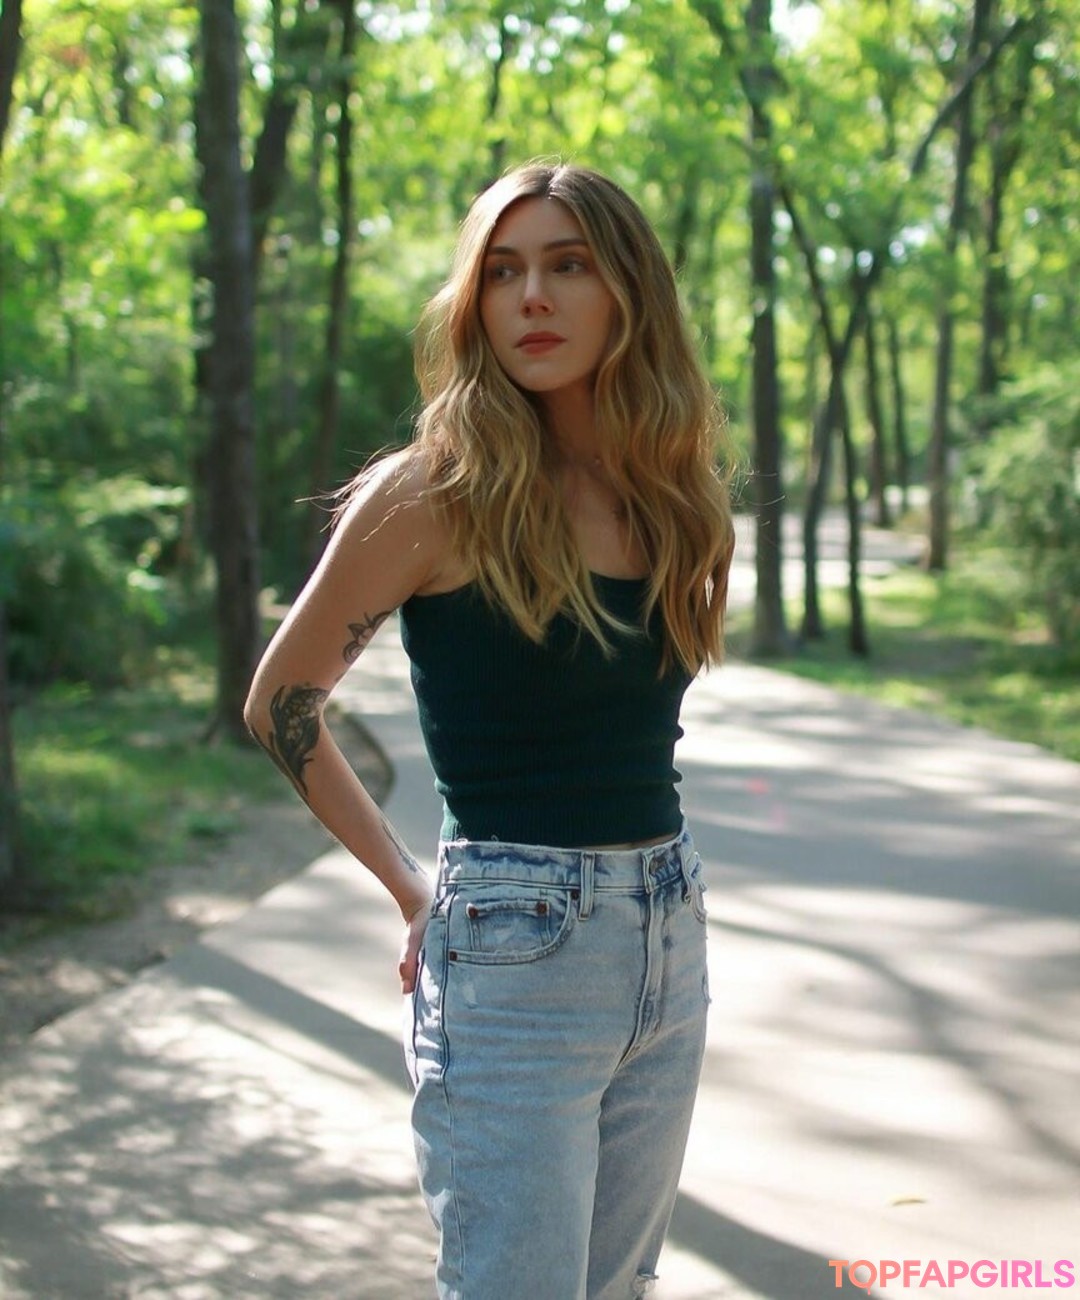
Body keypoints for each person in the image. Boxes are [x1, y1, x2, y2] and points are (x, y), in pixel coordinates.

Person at [244, 160, 735, 1300]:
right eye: (504, 273)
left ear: (629, 291)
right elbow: (282, 701)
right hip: (515, 954)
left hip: (668, 929)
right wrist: (410, 887)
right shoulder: (436, 492)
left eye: (568, 265)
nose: (533, 298)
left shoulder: (669, 495)